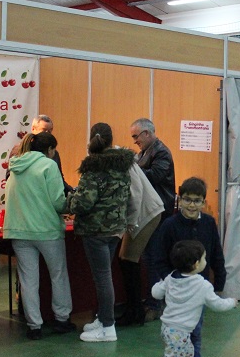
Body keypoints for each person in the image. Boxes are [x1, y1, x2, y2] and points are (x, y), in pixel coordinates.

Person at [153, 177, 227, 357]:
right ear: (180, 199)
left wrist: (219, 280)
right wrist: (170, 282)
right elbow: (157, 257)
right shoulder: (169, 225)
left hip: (198, 292)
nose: (192, 205)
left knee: (195, 334)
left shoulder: (209, 223)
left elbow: (216, 254)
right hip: (175, 293)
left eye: (197, 201)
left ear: (204, 202)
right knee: (178, 339)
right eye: (187, 200)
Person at [146, 241, 237, 357]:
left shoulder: (170, 277)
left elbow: (156, 293)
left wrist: (160, 284)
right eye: (203, 258)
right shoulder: (202, 285)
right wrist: (231, 302)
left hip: (168, 329)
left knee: (188, 352)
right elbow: (217, 305)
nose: (205, 261)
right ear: (196, 264)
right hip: (180, 332)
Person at [3, 131, 74, 340]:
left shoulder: (14, 166)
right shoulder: (49, 166)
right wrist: (70, 204)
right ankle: (62, 319)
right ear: (50, 150)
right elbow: (57, 201)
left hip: (19, 230)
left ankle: (34, 326)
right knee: (58, 275)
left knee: (28, 280)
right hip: (47, 230)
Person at [67, 123, 134, 342]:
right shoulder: (123, 166)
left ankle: (108, 326)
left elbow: (84, 203)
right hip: (115, 228)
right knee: (105, 276)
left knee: (102, 278)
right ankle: (103, 318)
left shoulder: (93, 168)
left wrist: (68, 201)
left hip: (94, 230)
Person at [130, 118, 176, 321]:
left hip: (159, 213)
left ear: (147, 133)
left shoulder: (162, 152)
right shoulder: (146, 152)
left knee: (153, 258)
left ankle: (155, 303)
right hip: (151, 212)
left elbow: (154, 176)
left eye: (136, 136)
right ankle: (153, 300)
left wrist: (131, 168)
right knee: (149, 257)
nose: (134, 141)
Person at [115, 162, 164, 327]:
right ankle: (134, 309)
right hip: (143, 212)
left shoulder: (121, 164)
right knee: (125, 259)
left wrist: (130, 222)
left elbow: (135, 195)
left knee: (129, 259)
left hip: (146, 213)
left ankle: (135, 312)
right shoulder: (120, 161)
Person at [8, 115, 73, 195]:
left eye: (50, 130)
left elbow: (59, 178)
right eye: (44, 130)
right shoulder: (20, 150)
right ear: (33, 129)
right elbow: (10, 177)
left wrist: (71, 191)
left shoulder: (54, 152)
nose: (47, 133)